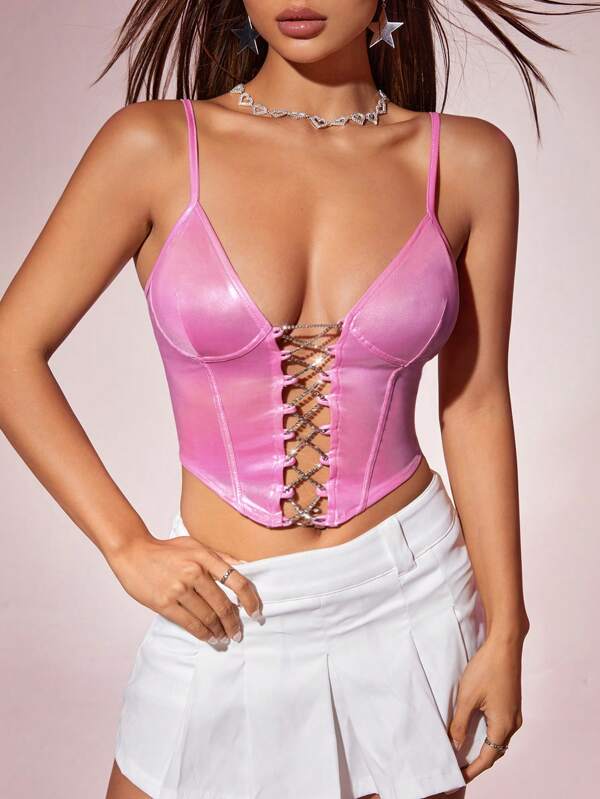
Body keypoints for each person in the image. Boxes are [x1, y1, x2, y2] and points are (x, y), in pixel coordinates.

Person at [2, 1, 597, 798]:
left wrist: (507, 628)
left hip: (411, 594)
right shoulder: (153, 148)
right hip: (227, 605)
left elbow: (476, 401)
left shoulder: (467, 161)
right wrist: (126, 543)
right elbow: (10, 350)